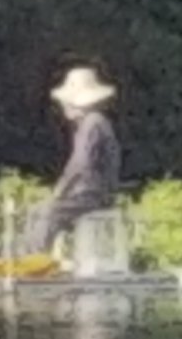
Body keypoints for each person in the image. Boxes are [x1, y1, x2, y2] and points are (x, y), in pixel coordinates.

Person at [22, 65, 121, 256]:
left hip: (93, 194)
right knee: (37, 211)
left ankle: (37, 259)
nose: (63, 107)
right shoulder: (92, 123)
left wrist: (61, 189)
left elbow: (80, 164)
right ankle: (33, 257)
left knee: (47, 213)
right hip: (87, 192)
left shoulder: (93, 123)